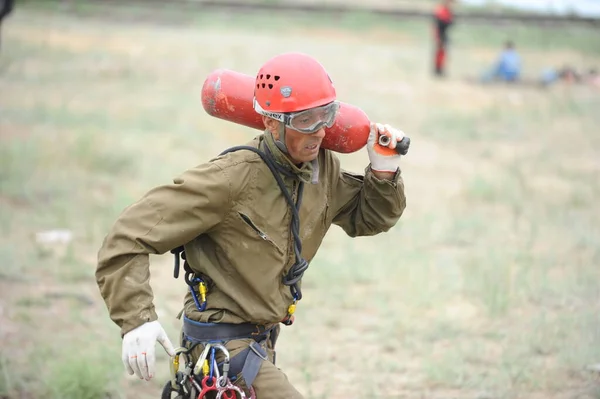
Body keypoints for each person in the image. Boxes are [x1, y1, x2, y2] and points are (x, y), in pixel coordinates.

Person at [96, 52, 408, 398]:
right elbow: (128, 236)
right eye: (305, 120)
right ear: (272, 123)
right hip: (221, 348)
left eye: (326, 116)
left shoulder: (321, 169)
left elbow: (369, 218)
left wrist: (384, 171)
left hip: (262, 342)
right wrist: (137, 319)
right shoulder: (231, 178)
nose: (319, 131)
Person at [433, 0, 455, 77]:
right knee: (440, 53)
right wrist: (439, 37)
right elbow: (439, 25)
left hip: (444, 34)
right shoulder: (442, 11)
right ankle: (437, 70)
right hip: (440, 35)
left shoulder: (448, 11)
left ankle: (440, 70)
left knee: (443, 53)